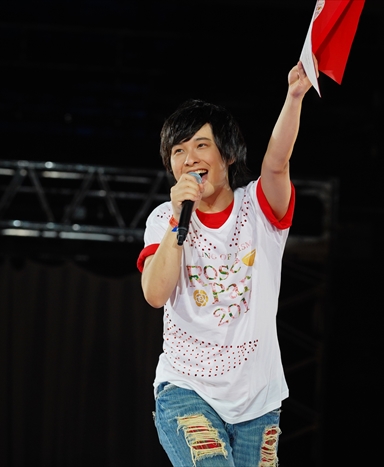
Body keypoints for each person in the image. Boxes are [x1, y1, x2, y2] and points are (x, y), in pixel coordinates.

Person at [137, 57, 316, 466]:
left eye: (201, 145)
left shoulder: (258, 209)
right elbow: (155, 294)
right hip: (186, 390)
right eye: (178, 151)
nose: (189, 159)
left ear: (228, 154)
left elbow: (276, 163)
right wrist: (178, 221)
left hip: (258, 403)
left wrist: (294, 96)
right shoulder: (163, 220)